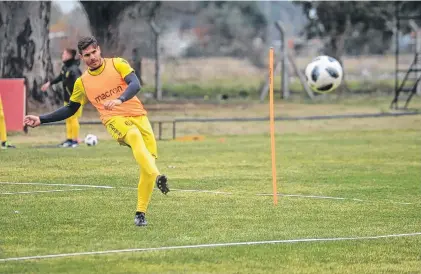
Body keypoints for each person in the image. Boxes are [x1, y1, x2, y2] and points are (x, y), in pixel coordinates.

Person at [24, 36, 169, 226]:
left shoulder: (118, 63)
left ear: (99, 50)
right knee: (133, 136)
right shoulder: (82, 82)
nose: (92, 57)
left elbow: (135, 84)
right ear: (82, 58)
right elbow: (70, 109)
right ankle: (159, 176)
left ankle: (140, 213)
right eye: (87, 55)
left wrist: (120, 99)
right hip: (113, 120)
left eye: (93, 52)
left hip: (139, 117)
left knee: (146, 167)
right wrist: (41, 119)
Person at [41, 48, 82, 148]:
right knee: (68, 119)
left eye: (64, 54)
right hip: (67, 99)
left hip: (76, 100)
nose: (62, 56)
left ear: (69, 56)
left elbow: (79, 83)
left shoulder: (74, 69)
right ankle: (69, 139)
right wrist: (49, 83)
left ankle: (75, 140)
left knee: (73, 119)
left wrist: (76, 96)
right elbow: (60, 77)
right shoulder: (65, 68)